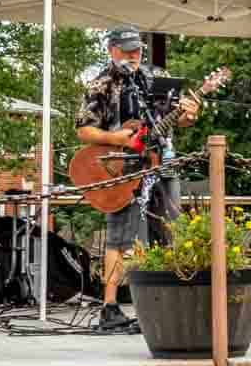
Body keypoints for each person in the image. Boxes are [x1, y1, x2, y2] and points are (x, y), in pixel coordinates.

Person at [74, 26, 198, 333]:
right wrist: (117, 138)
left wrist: (189, 115)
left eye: (137, 50)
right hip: (122, 166)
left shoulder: (157, 77)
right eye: (127, 50)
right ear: (111, 50)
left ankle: (167, 305)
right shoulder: (101, 83)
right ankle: (110, 307)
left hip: (163, 161)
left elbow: (176, 119)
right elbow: (83, 129)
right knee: (121, 236)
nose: (133, 55)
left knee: (170, 231)